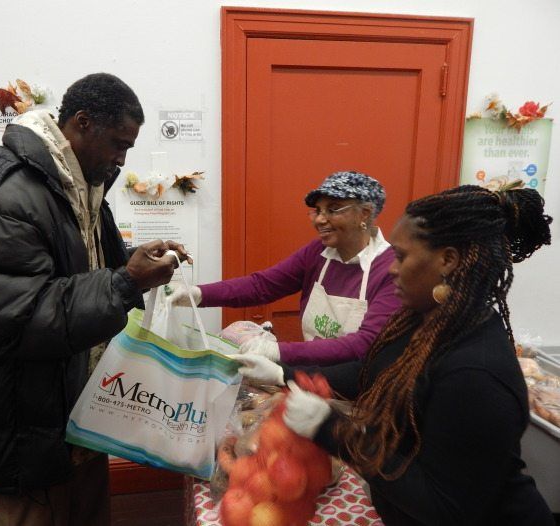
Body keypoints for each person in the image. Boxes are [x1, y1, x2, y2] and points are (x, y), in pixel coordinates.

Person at [0, 73, 189, 526]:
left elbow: (81, 270)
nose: (121, 157)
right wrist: (125, 283)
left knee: (85, 511)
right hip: (25, 409)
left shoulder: (80, 183)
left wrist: (135, 262)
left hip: (74, 399)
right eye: (118, 143)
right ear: (82, 122)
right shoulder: (5, 195)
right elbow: (13, 317)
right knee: (38, 513)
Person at [233, 185, 555, 525]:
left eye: (401, 257)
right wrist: (283, 373)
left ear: (448, 260)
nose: (391, 269)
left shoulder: (476, 373)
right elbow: (372, 373)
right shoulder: (423, 319)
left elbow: (443, 507)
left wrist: (331, 428)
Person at [170, 170, 400, 365]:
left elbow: (365, 344)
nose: (320, 219)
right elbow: (262, 286)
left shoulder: (391, 270)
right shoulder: (318, 253)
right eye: (317, 210)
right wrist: (197, 294)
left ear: (365, 214)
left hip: (363, 387)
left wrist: (278, 352)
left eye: (333, 209)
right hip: (315, 376)